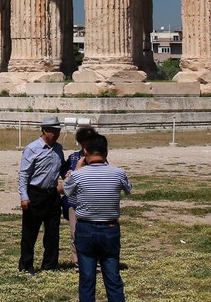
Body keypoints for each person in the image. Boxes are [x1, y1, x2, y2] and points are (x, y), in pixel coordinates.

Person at [60, 133, 131, 302]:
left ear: (85, 152)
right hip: (110, 228)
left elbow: (63, 190)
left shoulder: (79, 175)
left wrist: (77, 168)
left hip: (85, 228)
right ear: (106, 151)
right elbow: (128, 189)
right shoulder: (118, 173)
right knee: (113, 278)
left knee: (87, 280)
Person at [18, 115, 65, 274]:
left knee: (52, 232)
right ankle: (26, 265)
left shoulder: (58, 149)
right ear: (45, 130)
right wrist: (24, 196)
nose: (57, 134)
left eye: (58, 130)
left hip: (52, 195)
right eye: (54, 131)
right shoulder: (32, 149)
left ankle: (50, 265)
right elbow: (24, 174)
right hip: (35, 194)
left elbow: (61, 169)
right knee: (30, 232)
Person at [63, 126, 96, 269]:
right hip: (74, 202)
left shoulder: (98, 158)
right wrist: (69, 174)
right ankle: (78, 263)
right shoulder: (73, 158)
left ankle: (96, 262)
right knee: (75, 234)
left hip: (93, 202)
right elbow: (64, 176)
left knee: (94, 234)